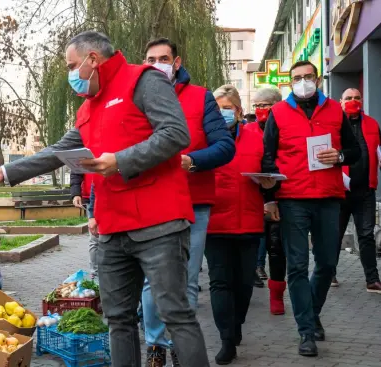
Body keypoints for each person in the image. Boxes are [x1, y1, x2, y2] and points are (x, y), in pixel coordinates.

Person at [0, 31, 210, 367]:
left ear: (92, 59)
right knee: (118, 319)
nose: (70, 74)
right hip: (113, 228)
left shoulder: (143, 80)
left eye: (72, 65)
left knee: (176, 314)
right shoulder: (88, 108)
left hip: (159, 224)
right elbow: (60, 151)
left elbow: (176, 134)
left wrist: (121, 160)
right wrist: (6, 172)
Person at [140, 37, 235, 367]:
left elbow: (224, 146)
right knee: (154, 280)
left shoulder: (201, 98)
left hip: (194, 201)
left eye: (163, 58)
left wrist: (191, 160)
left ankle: (182, 344)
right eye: (150, 59)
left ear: (177, 63)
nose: (157, 64)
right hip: (151, 201)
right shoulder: (135, 99)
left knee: (187, 280)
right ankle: (155, 343)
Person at [261, 60, 360, 357]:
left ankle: (312, 311)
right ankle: (306, 331)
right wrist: (271, 198)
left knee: (328, 263)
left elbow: (355, 151)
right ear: (290, 82)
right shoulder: (278, 113)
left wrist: (340, 155)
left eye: (308, 77)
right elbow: (267, 159)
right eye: (297, 78)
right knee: (298, 266)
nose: (302, 81)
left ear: (317, 80)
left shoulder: (334, 110)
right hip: (293, 198)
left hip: (329, 197)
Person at [204, 84, 274, 365]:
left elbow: (269, 167)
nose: (223, 114)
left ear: (239, 111)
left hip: (248, 220)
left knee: (244, 283)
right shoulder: (204, 139)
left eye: (227, 108)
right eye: (217, 109)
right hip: (215, 222)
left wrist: (270, 187)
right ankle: (226, 339)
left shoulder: (257, 135)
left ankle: (237, 325)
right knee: (220, 282)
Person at [335, 88, 381, 293]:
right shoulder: (334, 125)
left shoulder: (372, 123)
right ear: (340, 102)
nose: (353, 101)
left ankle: (372, 280)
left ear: (362, 100)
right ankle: (328, 274)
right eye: (348, 98)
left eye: (356, 98)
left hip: (365, 190)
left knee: (366, 236)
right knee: (333, 235)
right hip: (338, 191)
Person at [251, 87, 288, 315]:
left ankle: (277, 294)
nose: (260, 110)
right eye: (257, 105)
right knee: (252, 244)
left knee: (276, 245)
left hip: (278, 195)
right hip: (251, 197)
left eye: (264, 105)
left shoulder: (285, 129)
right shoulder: (248, 130)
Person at [70, 173, 99, 275]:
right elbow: (76, 172)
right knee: (95, 238)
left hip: (111, 192)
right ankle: (95, 274)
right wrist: (76, 193)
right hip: (90, 197)